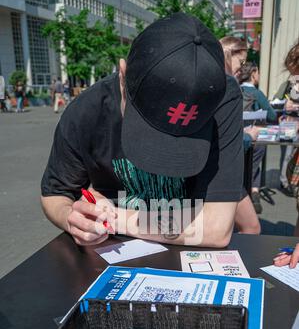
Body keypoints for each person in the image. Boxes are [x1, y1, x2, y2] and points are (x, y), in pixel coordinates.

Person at [41, 13, 245, 248]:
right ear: (122, 74)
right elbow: (54, 193)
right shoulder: (88, 109)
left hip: (186, 255)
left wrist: (116, 219)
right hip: (108, 252)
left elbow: (217, 229)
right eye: (146, 124)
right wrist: (71, 217)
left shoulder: (222, 97)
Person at [220, 36, 261, 234]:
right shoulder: (227, 87)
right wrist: (247, 137)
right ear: (228, 54)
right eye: (241, 61)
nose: (243, 67)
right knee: (251, 227)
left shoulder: (215, 84)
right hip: (224, 171)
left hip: (220, 170)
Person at [239, 62, 277, 214]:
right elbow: (272, 115)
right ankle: (254, 193)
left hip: (236, 136)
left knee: (241, 167)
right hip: (255, 136)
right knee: (254, 166)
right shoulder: (257, 93)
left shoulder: (235, 89)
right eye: (258, 72)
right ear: (253, 74)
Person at [274, 41, 299, 196]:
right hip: (288, 122)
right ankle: (285, 181)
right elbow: (277, 101)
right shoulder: (288, 85)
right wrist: (285, 105)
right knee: (287, 152)